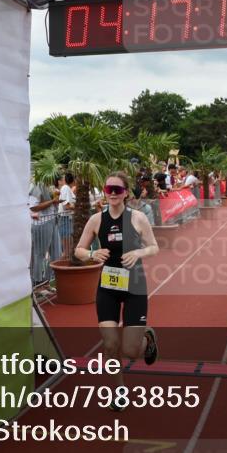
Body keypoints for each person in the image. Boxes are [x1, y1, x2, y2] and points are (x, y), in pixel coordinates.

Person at [74, 172, 160, 411]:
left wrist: (138, 253)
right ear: (104, 191)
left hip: (135, 287)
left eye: (118, 190)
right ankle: (119, 391)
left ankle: (147, 339)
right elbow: (79, 250)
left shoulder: (138, 218)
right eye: (109, 188)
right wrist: (91, 254)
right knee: (110, 344)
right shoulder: (96, 220)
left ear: (126, 193)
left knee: (131, 351)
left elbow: (154, 247)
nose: (112, 193)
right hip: (108, 287)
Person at [56, 173, 76, 258]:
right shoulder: (66, 188)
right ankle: (57, 269)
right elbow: (66, 205)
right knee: (67, 250)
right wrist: (78, 207)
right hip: (65, 219)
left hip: (67, 219)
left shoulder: (67, 188)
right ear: (74, 180)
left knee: (68, 249)